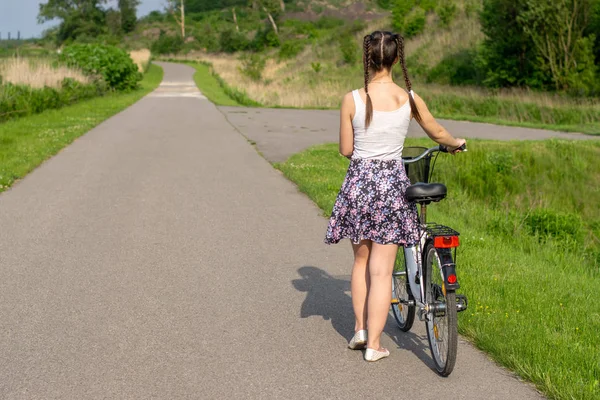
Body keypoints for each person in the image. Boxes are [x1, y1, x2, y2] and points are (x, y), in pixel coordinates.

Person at [324, 31, 466, 362]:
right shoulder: (409, 99)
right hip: (391, 188)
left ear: (368, 58)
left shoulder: (352, 99)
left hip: (359, 185)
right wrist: (456, 143)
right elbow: (437, 131)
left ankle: (359, 329)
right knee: (381, 271)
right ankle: (374, 345)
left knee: (360, 261)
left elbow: (346, 149)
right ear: (396, 58)